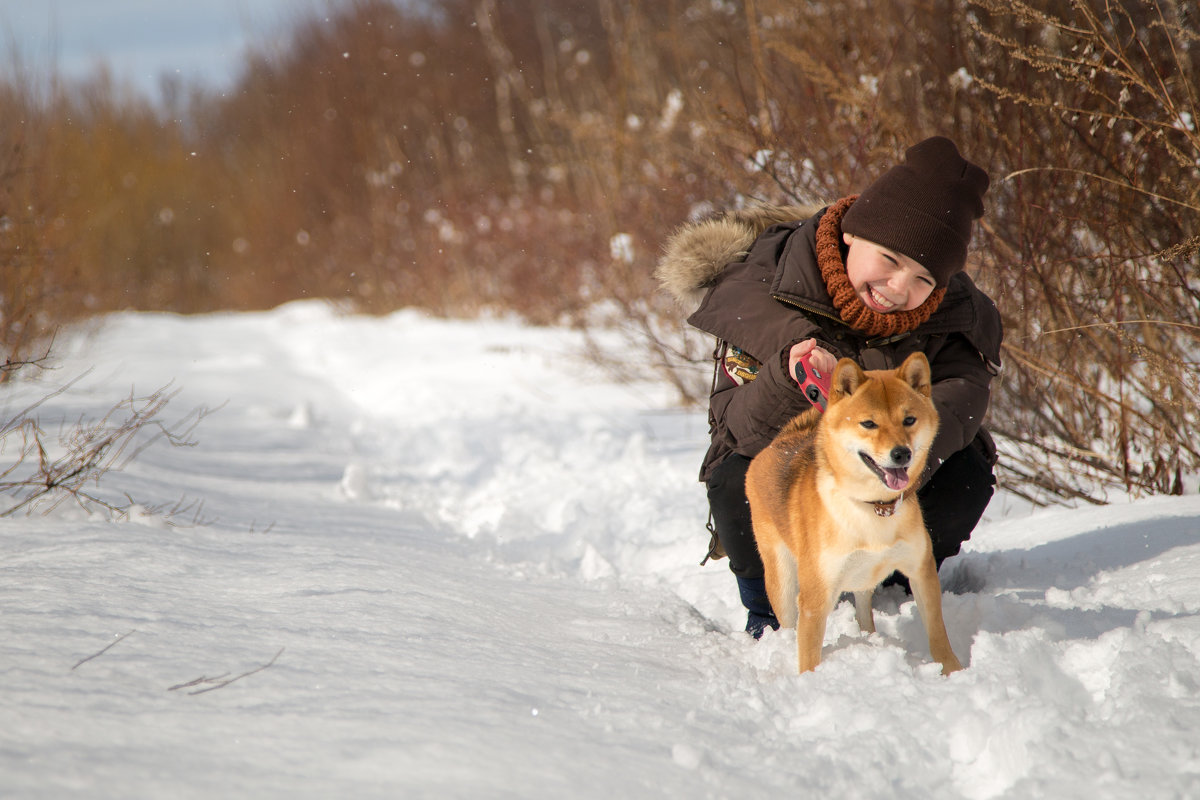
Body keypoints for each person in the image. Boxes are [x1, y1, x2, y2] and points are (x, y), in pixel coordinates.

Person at [655, 136, 1002, 637]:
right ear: (851, 236)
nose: (899, 287)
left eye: (924, 277)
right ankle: (770, 610)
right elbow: (740, 430)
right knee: (739, 480)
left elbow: (965, 396)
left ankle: (891, 586)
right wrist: (786, 372)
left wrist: (896, 455)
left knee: (966, 471)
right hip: (787, 460)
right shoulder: (759, 288)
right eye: (889, 258)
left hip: (891, 469)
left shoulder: (958, 315)